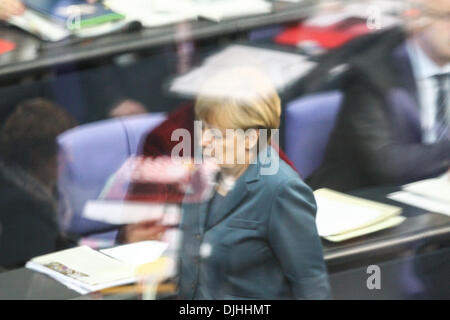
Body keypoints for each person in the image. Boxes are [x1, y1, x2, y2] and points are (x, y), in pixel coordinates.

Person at [170, 67, 329, 300]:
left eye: (216, 134)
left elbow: (311, 284)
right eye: (202, 128)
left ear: (251, 138)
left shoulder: (281, 190)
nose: (203, 141)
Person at [307, 0, 450, 192]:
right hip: (363, 200)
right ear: (416, 19)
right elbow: (386, 165)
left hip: (433, 193)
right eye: (447, 17)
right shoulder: (372, 74)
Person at [0, 98, 77, 268]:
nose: (70, 159)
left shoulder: (51, 188)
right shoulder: (19, 216)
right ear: (39, 156)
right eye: (62, 153)